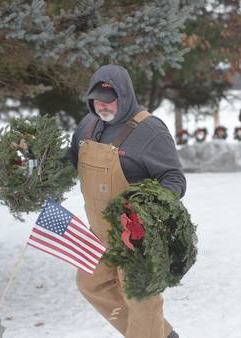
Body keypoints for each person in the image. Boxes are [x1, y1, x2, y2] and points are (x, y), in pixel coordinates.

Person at [68, 64, 185, 338]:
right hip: (98, 230)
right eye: (97, 100)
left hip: (136, 234)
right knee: (90, 283)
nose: (103, 106)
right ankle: (162, 335)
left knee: (141, 299)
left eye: (110, 101)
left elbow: (174, 179)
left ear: (125, 96)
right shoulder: (87, 125)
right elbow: (70, 159)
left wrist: (146, 208)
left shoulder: (150, 130)